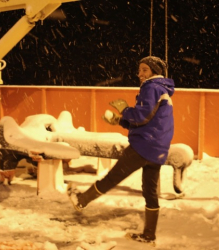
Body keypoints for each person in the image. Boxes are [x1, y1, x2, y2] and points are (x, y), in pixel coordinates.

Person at [67, 56, 175, 245]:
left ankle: (82, 200)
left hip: (144, 146)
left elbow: (142, 115)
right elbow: (150, 121)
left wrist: (125, 110)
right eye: (139, 70)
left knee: (113, 177)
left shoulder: (152, 87)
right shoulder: (163, 90)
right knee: (150, 191)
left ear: (154, 71)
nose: (139, 74)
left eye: (144, 70)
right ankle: (149, 235)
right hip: (158, 149)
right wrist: (120, 121)